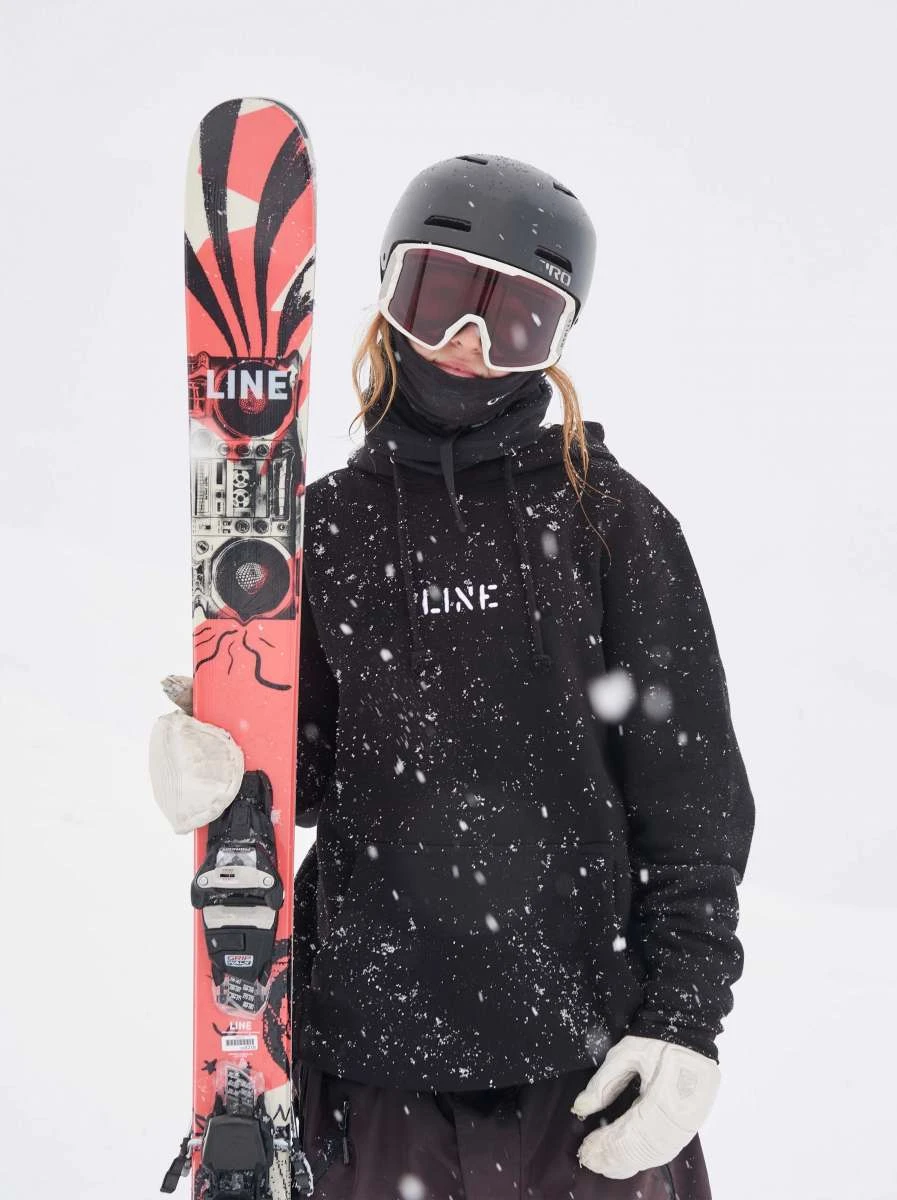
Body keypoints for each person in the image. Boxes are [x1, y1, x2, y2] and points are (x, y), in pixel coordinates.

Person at [151, 153, 755, 1199]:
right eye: (441, 299)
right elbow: (309, 766)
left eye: (515, 320)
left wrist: (685, 1022)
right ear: (391, 296)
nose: (468, 343)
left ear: (557, 341)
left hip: (582, 1070)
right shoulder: (325, 529)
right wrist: (224, 760)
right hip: (366, 1065)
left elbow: (691, 802)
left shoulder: (609, 521)